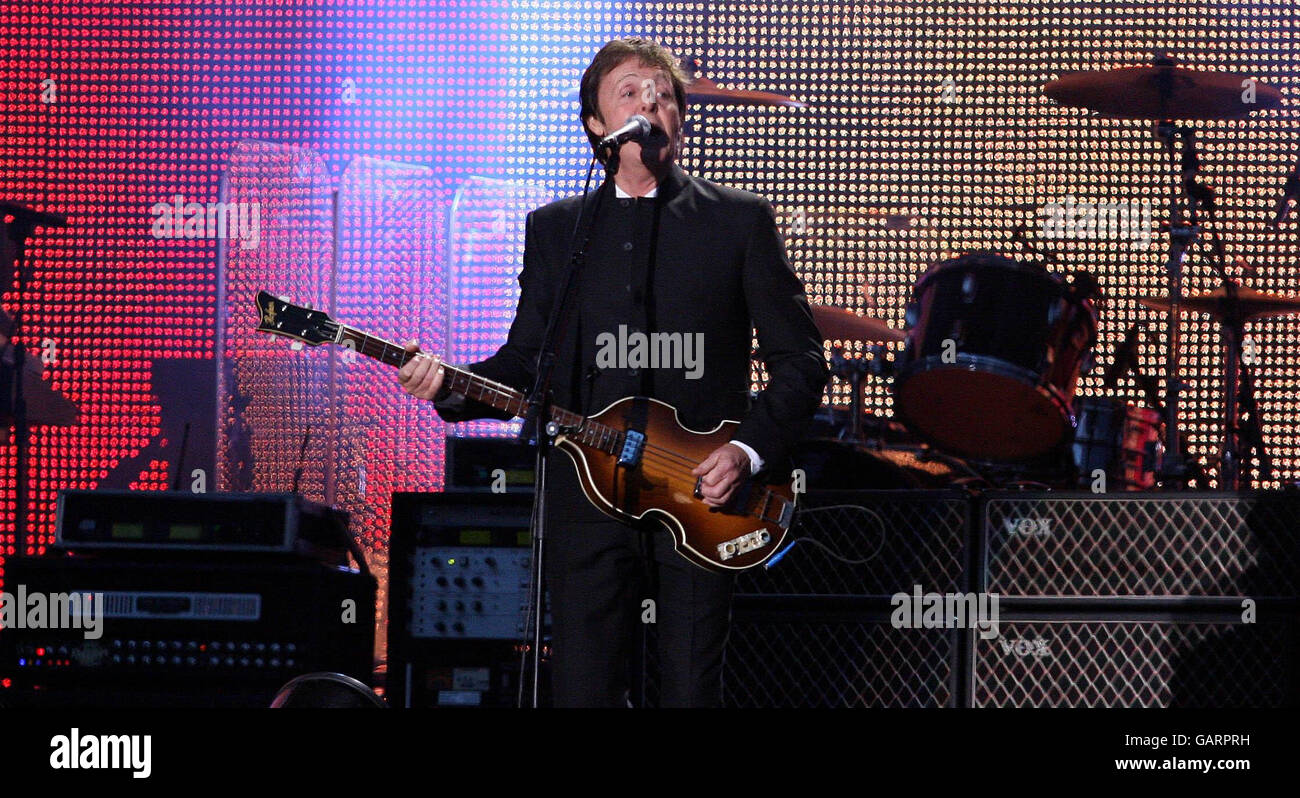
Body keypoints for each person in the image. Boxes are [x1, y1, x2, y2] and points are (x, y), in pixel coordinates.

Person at [398, 37, 827, 707]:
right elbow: (525, 364)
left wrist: (745, 451)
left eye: (664, 93)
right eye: (630, 92)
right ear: (597, 125)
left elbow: (801, 360)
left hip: (705, 494)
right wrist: (448, 385)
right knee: (582, 688)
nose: (651, 102)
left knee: (690, 689)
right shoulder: (558, 230)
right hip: (586, 496)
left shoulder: (738, 221)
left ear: (681, 118)